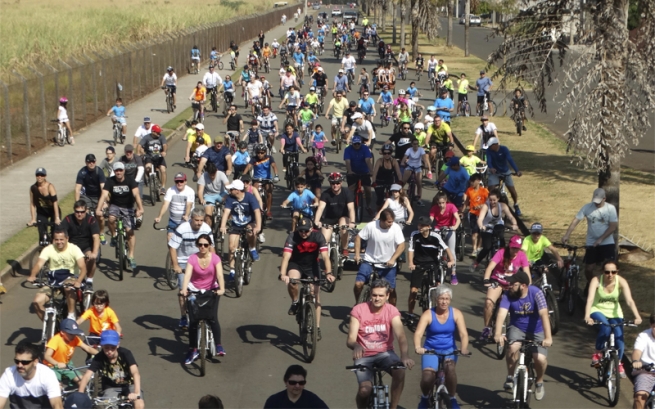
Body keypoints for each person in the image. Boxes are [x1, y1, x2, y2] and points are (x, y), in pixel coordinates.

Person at [347, 279, 414, 409]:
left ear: (387, 296)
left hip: (386, 354)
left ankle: (393, 407)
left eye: (381, 295)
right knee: (364, 390)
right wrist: (356, 345)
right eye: (374, 295)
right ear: (370, 295)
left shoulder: (391, 311)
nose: (377, 298)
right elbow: (350, 338)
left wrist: (404, 355)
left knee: (400, 372)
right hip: (364, 356)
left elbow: (401, 335)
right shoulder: (359, 310)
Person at [494, 271, 552, 401]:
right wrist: (498, 333)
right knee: (512, 348)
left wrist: (548, 337)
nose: (510, 286)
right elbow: (501, 314)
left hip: (537, 330)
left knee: (540, 359)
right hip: (517, 328)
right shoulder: (508, 294)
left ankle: (539, 381)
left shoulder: (536, 293)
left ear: (524, 285)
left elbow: (544, 314)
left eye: (513, 284)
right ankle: (510, 376)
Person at [413, 285, 469, 409]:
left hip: (449, 350)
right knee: (427, 377)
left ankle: (452, 398)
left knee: (450, 370)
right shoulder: (428, 314)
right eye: (441, 298)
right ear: (436, 299)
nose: (444, 301)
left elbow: (463, 334)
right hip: (430, 350)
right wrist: (418, 347)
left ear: (450, 300)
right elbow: (418, 333)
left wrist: (463, 348)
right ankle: (425, 398)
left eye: (447, 299)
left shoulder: (456, 313)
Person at [584, 260, 642, 378]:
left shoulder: (621, 281)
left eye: (613, 272)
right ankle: (598, 353)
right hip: (597, 310)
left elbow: (629, 301)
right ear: (602, 272)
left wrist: (637, 316)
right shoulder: (596, 281)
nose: (610, 275)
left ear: (617, 271)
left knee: (619, 337)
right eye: (607, 272)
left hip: (615, 313)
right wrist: (587, 316)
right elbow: (590, 299)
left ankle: (618, 363)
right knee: (605, 328)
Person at [280, 218, 334, 337]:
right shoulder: (292, 236)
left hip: (312, 265)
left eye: (306, 231)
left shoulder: (318, 236)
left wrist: (328, 273)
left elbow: (325, 257)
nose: (303, 233)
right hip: (296, 264)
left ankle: (317, 327)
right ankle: (295, 302)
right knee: (293, 281)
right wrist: (283, 274)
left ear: (311, 229)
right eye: (301, 231)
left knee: (315, 294)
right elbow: (286, 257)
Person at [181, 233, 226, 364]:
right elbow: (187, 275)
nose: (202, 247)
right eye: (200, 244)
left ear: (209, 246)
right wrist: (184, 289)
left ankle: (218, 345)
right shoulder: (192, 259)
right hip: (195, 290)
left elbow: (220, 275)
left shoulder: (215, 259)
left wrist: (221, 289)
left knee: (212, 318)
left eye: (205, 245)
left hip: (211, 290)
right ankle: (193, 348)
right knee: (193, 322)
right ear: (197, 245)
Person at [562, 188, 618, 285]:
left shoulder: (610, 208)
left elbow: (613, 227)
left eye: (599, 202)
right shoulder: (587, 207)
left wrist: (601, 239)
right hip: (591, 242)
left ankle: (608, 287)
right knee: (588, 269)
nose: (596, 204)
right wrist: (567, 234)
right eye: (595, 201)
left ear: (604, 198)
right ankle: (592, 284)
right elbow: (576, 220)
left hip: (607, 243)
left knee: (608, 268)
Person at [28, 229, 87, 321]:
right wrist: (33, 275)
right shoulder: (48, 249)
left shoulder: (74, 249)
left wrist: (78, 281)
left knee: (68, 288)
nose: (59, 242)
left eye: (61, 239)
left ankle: (71, 315)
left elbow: (83, 268)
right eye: (56, 239)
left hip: (70, 277)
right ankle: (49, 324)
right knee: (37, 302)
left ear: (67, 238)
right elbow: (39, 264)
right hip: (54, 280)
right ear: (53, 240)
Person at [77, 330, 144, 409]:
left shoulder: (125, 353)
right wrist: (80, 395)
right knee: (109, 407)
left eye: (113, 347)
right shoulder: (99, 357)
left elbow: (135, 372)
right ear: (102, 346)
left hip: (129, 384)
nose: (109, 351)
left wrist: (136, 393)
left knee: (139, 404)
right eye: (106, 348)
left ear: (118, 345)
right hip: (111, 387)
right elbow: (87, 375)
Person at [481, 235, 531, 340]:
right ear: (509, 246)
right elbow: (490, 267)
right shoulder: (501, 253)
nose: (515, 251)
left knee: (522, 305)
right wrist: (486, 279)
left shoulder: (522, 255)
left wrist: (528, 285)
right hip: (497, 281)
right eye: (513, 248)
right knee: (489, 302)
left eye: (517, 248)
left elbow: (527, 273)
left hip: (512, 284)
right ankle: (487, 327)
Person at [96, 162, 143, 269]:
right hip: (115, 205)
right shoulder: (110, 180)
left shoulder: (130, 180)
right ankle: (113, 235)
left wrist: (140, 208)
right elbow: (104, 195)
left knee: (129, 231)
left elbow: (136, 194)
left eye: (120, 170)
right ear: (114, 171)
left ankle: (131, 256)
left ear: (124, 171)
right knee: (111, 219)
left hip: (128, 206)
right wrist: (98, 209)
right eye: (116, 170)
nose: (118, 172)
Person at [354, 209, 405, 306]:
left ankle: (392, 311)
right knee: (358, 284)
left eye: (392, 221)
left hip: (387, 265)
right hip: (369, 262)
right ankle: (358, 303)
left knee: (391, 290)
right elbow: (358, 238)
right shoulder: (371, 226)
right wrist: (357, 255)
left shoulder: (396, 228)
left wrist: (393, 259)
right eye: (389, 222)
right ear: (381, 220)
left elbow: (401, 246)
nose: (391, 224)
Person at [407, 217, 454, 316]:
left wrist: (452, 260)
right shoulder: (414, 235)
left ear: (429, 227)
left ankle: (437, 312)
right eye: (419, 225)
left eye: (423, 226)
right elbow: (411, 249)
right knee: (413, 290)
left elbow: (446, 248)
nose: (420, 227)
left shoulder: (435, 236)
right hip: (419, 263)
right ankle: (410, 312)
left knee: (437, 286)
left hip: (433, 263)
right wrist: (411, 263)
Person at [0, 341, 62, 409]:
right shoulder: (9, 374)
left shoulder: (47, 374)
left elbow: (56, 403)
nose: (20, 365)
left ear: (35, 362)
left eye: (25, 362)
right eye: (17, 361)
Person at [220, 179, 262, 277]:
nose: (230, 191)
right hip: (236, 224)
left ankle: (252, 248)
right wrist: (222, 226)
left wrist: (258, 226)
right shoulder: (230, 198)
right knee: (231, 247)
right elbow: (226, 212)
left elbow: (257, 212)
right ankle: (232, 270)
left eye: (232, 189)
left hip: (249, 222)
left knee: (251, 233)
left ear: (237, 190)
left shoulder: (250, 197)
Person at [471, 189, 519, 272]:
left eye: (494, 200)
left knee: (502, 243)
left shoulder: (503, 206)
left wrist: (514, 224)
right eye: (490, 200)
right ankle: (476, 262)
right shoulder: (486, 206)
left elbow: (510, 216)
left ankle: (505, 262)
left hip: (498, 226)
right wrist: (481, 226)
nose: (492, 202)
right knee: (487, 247)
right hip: (487, 227)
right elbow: (480, 219)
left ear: (498, 199)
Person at [59, 200, 100, 291]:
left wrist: (94, 253)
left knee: (91, 258)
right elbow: (61, 234)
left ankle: (89, 280)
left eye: (82, 212)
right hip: (72, 247)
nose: (79, 214)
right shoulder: (68, 219)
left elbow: (96, 237)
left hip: (87, 247)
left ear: (86, 211)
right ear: (74, 211)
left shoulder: (91, 220)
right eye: (77, 212)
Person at [44, 319, 98, 384]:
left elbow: (87, 348)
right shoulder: (56, 340)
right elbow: (47, 356)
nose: (74, 336)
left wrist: (101, 354)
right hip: (52, 367)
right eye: (71, 334)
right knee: (57, 386)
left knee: (82, 382)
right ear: (62, 332)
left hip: (67, 365)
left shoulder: (75, 339)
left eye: (75, 334)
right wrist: (57, 364)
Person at [314, 172, 356, 256]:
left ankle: (344, 248)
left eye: (337, 183)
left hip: (343, 217)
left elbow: (351, 208)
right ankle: (327, 262)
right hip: (329, 219)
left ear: (341, 183)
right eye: (333, 183)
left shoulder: (347, 193)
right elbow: (321, 208)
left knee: (343, 229)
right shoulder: (325, 194)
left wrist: (352, 222)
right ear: (330, 183)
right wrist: (316, 221)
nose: (335, 185)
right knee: (324, 240)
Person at [428, 191, 462, 284]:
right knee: (435, 249)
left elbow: (458, 219)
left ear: (446, 201)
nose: (441, 205)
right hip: (438, 229)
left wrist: (454, 227)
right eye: (439, 203)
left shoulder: (451, 207)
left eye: (443, 203)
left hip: (450, 229)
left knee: (451, 251)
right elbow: (431, 219)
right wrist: (428, 226)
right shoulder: (434, 208)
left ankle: (453, 273)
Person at [74, 154, 106, 244]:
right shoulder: (82, 172)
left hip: (98, 196)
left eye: (93, 162)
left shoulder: (99, 172)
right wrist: (77, 204)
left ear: (95, 162)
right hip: (86, 196)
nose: (91, 163)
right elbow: (77, 189)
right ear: (86, 163)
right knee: (84, 215)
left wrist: (104, 202)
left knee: (100, 216)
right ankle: (85, 234)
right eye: (89, 162)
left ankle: (101, 232)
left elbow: (103, 189)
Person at [485, 137, 522, 215]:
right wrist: (491, 168)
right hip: (494, 172)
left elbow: (510, 159)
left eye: (491, 146)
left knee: (512, 190)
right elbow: (489, 160)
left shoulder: (504, 149)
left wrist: (517, 170)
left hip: (505, 171)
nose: (490, 147)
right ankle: (489, 205)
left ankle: (516, 204)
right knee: (491, 189)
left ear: (496, 145)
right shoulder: (489, 150)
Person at [263, 364, 329, 408]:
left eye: (301, 382)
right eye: (293, 382)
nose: (297, 386)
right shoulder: (273, 401)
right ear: (285, 382)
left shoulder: (313, 401)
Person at [155, 172, 195, 241]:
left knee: (186, 240)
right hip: (173, 221)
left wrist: (186, 215)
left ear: (185, 182)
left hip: (186, 221)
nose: (179, 183)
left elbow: (189, 205)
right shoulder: (170, 190)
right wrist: (159, 217)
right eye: (177, 181)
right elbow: (165, 205)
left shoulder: (190, 191)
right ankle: (172, 251)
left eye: (181, 181)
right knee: (170, 238)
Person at [28, 167, 61, 245]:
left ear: (45, 176)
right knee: (42, 235)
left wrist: (57, 218)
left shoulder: (50, 186)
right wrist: (33, 219)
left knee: (55, 233)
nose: (39, 177)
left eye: (42, 175)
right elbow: (32, 203)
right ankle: (42, 250)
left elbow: (55, 203)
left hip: (53, 211)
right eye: (38, 175)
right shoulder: (33, 188)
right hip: (42, 212)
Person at [344, 136, 374, 214]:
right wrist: (350, 171)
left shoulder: (365, 148)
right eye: (355, 144)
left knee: (368, 190)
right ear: (352, 143)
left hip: (364, 172)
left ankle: (368, 206)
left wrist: (371, 171)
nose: (357, 145)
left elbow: (367, 160)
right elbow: (347, 161)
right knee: (350, 190)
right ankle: (349, 207)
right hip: (353, 172)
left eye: (358, 144)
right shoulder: (348, 149)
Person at [632, 312, 655, 409]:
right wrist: (636, 361)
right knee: (640, 396)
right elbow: (637, 352)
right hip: (646, 371)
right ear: (651, 325)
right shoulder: (643, 336)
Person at [138, 124, 168, 195]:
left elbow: (165, 145)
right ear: (153, 132)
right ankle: (151, 179)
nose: (159, 133)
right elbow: (139, 145)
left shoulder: (161, 137)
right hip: (149, 156)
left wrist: (164, 151)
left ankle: (163, 187)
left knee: (163, 170)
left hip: (159, 156)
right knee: (147, 168)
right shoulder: (146, 137)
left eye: (159, 132)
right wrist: (138, 153)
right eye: (157, 132)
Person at [462, 173, 488, 256]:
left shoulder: (484, 191)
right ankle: (474, 249)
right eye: (470, 182)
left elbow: (489, 202)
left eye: (472, 182)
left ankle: (479, 247)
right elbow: (466, 202)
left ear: (478, 181)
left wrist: (482, 206)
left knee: (481, 232)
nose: (471, 184)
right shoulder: (469, 190)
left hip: (483, 215)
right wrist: (462, 211)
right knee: (475, 232)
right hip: (473, 214)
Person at [400, 139, 430, 205]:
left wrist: (425, 164)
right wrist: (402, 162)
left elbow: (424, 157)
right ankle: (400, 195)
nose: (415, 145)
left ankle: (419, 199)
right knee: (403, 181)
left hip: (418, 167)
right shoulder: (409, 150)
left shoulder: (421, 150)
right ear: (412, 144)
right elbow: (405, 157)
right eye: (414, 144)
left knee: (419, 183)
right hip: (410, 166)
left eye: (417, 144)